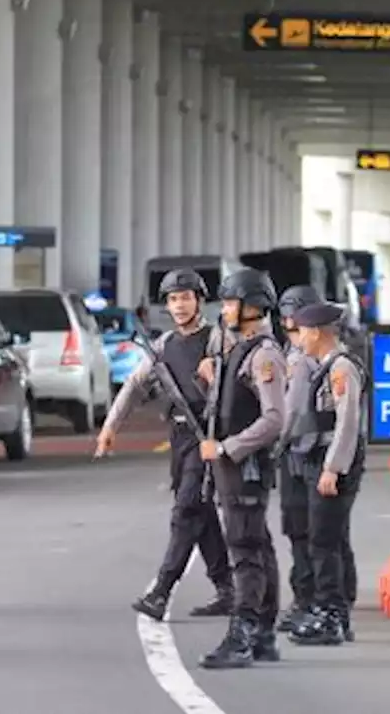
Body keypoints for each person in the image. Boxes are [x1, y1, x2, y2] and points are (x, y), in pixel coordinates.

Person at [95, 269, 234, 621]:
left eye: (186, 297)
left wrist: (214, 376)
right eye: (173, 299)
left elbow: (240, 384)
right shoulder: (163, 346)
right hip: (181, 437)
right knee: (200, 513)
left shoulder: (220, 340)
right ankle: (226, 588)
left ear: (200, 301)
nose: (180, 305)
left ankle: (162, 590)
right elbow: (134, 386)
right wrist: (110, 427)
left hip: (211, 434)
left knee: (187, 511)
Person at [195, 268, 286, 670]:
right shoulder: (236, 349)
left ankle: (243, 634)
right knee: (258, 545)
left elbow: (273, 419)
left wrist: (227, 448)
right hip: (234, 465)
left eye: (231, 303)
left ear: (253, 307)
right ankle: (263, 633)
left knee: (245, 550)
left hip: (244, 465)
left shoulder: (264, 354)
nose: (225, 310)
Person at [286, 302, 365, 646]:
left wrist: (332, 469)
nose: (298, 337)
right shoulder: (322, 364)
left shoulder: (341, 368)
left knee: (324, 541)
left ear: (316, 332)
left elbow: (348, 424)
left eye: (302, 330)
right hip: (318, 458)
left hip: (334, 462)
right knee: (320, 536)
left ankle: (332, 613)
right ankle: (329, 611)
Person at [271, 284, 322, 633]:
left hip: (309, 452)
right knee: (301, 530)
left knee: (313, 533)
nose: (290, 321)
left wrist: (268, 443)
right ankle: (314, 599)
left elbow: (291, 413)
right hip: (297, 453)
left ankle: (314, 601)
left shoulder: (308, 358)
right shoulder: (291, 353)